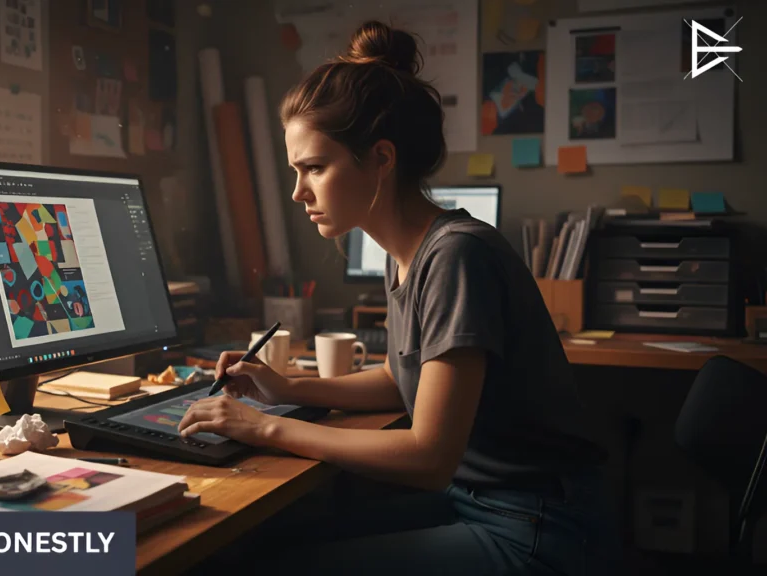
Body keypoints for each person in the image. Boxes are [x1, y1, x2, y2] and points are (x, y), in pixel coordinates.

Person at [179, 20, 619, 575]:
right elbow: (399, 377)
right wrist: (287, 387)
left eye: (314, 167)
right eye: (296, 171)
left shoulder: (456, 255)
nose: (298, 192)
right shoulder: (405, 251)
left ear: (381, 159)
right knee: (262, 543)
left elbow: (429, 456)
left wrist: (264, 425)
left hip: (538, 527)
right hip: (482, 500)